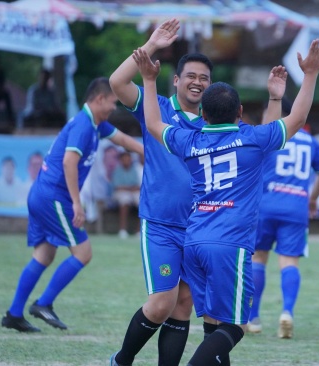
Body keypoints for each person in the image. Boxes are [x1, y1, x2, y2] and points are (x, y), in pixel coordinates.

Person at [132, 36, 319, 364]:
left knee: (214, 325)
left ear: (203, 114)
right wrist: (309, 75)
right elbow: (296, 120)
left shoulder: (189, 140)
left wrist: (149, 80)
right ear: (239, 112)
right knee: (235, 327)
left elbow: (152, 123)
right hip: (230, 245)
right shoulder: (251, 139)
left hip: (193, 242)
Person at [0, 77, 144, 333]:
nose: (113, 108)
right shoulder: (83, 126)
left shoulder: (94, 123)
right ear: (99, 99)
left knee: (44, 255)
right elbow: (69, 162)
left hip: (42, 194)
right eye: (112, 102)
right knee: (83, 253)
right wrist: (77, 203)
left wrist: (150, 151)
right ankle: (43, 304)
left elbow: (121, 139)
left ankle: (13, 314)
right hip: (55, 197)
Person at [108, 18, 210, 366]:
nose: (197, 83)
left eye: (204, 79)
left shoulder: (214, 124)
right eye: (191, 76)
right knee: (162, 302)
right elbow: (117, 82)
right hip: (161, 223)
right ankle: (121, 360)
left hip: (198, 228)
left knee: (184, 303)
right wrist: (151, 45)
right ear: (177, 80)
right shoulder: (158, 106)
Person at [247, 97, 319, 339]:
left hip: (265, 206)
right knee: (289, 263)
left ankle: (253, 318)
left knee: (259, 259)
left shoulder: (269, 136)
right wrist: (312, 198)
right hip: (296, 208)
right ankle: (287, 312)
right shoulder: (310, 140)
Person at [111, 151, 140, 239]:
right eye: (124, 159)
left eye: (128, 159)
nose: (127, 160)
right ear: (121, 160)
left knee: (142, 202)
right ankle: (122, 230)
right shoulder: (117, 170)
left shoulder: (134, 169)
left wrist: (128, 188)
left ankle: (138, 230)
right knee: (125, 200)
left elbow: (136, 185)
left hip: (132, 192)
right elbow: (117, 187)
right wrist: (129, 188)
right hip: (120, 193)